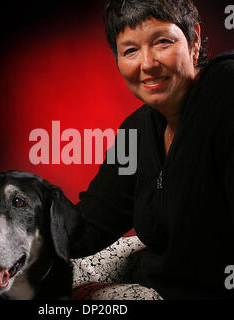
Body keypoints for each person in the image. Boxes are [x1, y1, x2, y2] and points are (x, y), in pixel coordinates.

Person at [68, 0, 234, 299]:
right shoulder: (138, 127)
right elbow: (88, 225)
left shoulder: (226, 91)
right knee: (30, 270)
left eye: (162, 42)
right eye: (130, 50)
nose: (147, 63)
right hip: (157, 271)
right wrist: (6, 224)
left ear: (194, 40)